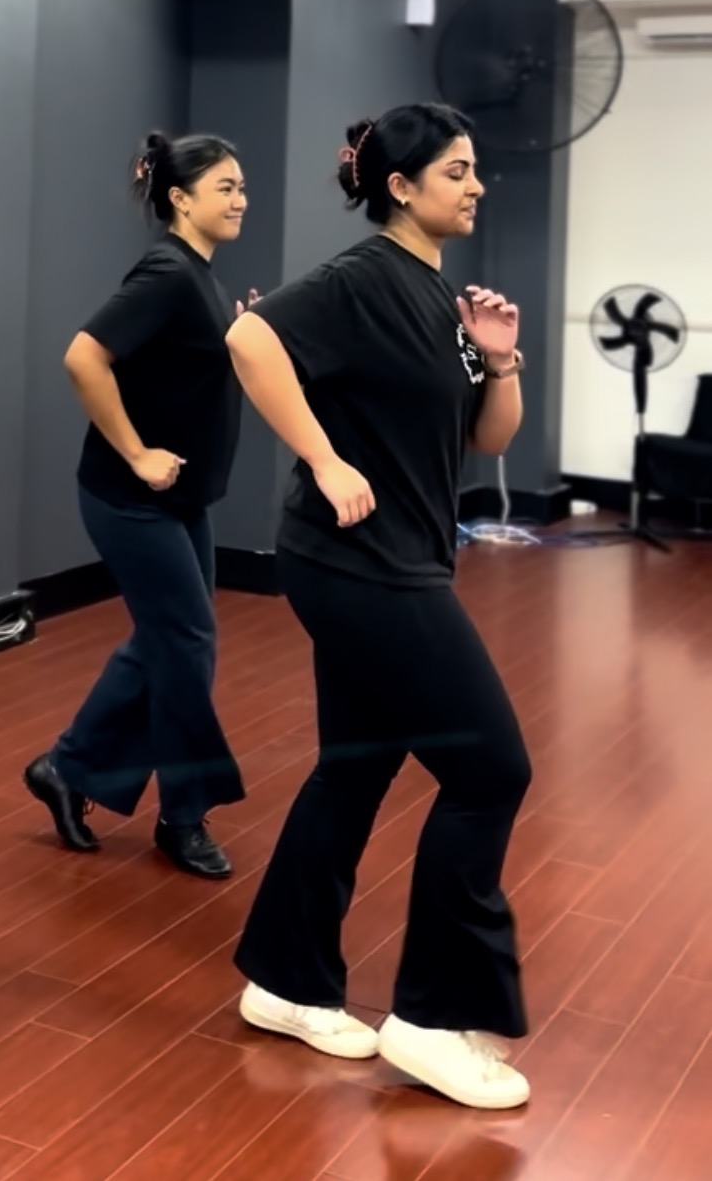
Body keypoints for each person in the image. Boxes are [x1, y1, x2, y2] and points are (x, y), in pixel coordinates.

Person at [225, 102, 533, 1112]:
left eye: (475, 167)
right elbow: (250, 339)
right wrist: (324, 458)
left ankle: (284, 978)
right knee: (491, 769)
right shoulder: (361, 279)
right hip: (358, 561)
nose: (475, 184)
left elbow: (488, 440)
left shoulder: (440, 296)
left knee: (355, 769)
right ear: (401, 187)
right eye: (457, 170)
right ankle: (434, 1018)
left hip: (407, 557)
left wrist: (496, 356)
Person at [24, 132, 253, 880]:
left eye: (241, 186)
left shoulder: (201, 277)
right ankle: (183, 815)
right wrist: (135, 451)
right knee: (184, 640)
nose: (239, 198)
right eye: (223, 186)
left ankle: (67, 766)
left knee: (173, 638)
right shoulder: (166, 269)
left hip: (183, 497)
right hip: (131, 496)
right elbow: (82, 355)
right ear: (179, 198)